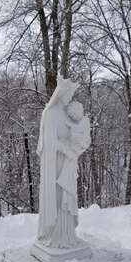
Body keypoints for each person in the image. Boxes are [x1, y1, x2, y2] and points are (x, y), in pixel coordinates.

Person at [36, 78, 87, 250]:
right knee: (58, 199)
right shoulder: (50, 114)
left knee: (66, 199)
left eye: (72, 94)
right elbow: (50, 143)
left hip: (68, 164)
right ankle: (56, 236)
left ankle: (67, 235)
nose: (70, 97)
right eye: (69, 94)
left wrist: (75, 147)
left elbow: (78, 134)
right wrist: (65, 148)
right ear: (61, 93)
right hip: (55, 165)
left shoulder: (67, 113)